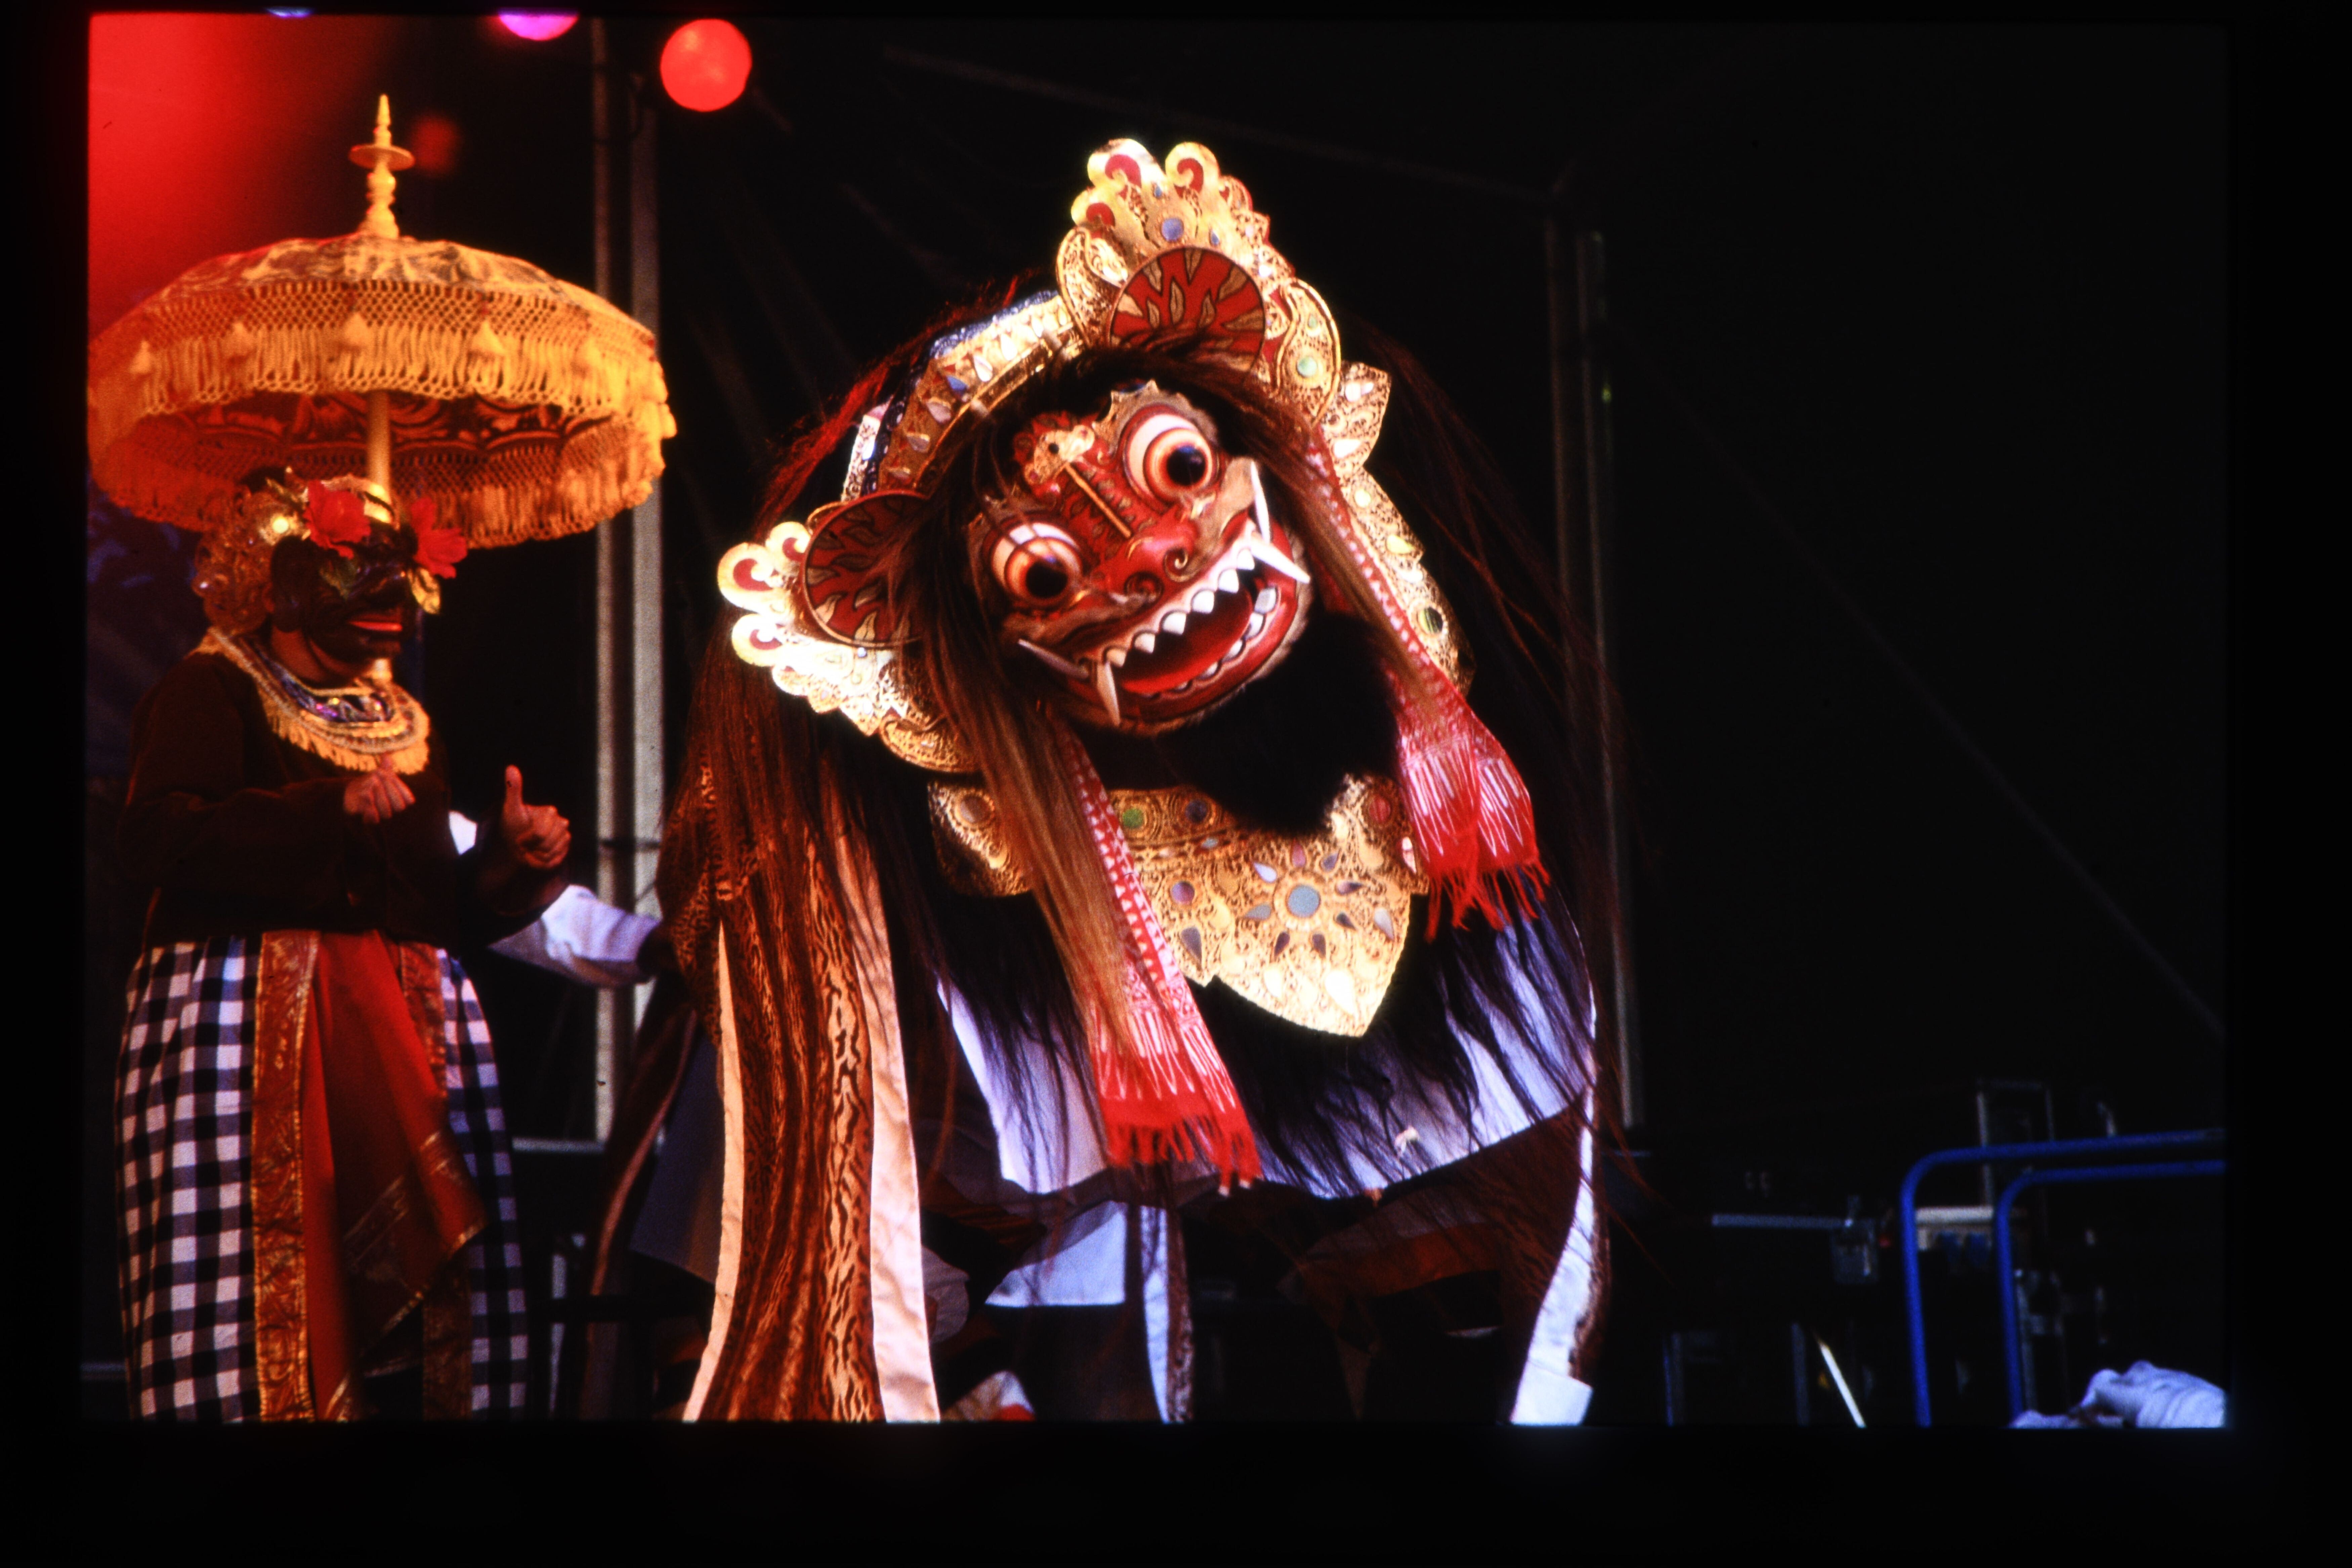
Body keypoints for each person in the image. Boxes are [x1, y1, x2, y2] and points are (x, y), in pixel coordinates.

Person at [624, 139, 1624, 1422]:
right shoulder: (907, 944)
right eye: (1046, 572)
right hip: (1005, 1250)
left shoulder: (1435, 814)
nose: (1154, 558)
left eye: (1177, 470)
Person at [114, 467, 569, 1420]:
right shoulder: (210, 688)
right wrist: (329, 807)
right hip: (253, 1033)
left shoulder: (403, 724)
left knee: (433, 1316)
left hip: (402, 1032)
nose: (389, 615)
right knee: (268, 1291)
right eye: (358, 585)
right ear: (287, 591)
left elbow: (429, 907)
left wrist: (508, 864)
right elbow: (155, 837)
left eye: (398, 590)